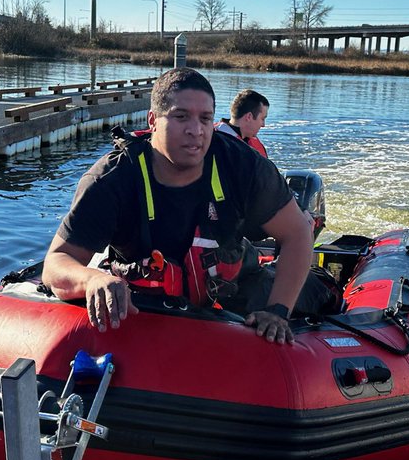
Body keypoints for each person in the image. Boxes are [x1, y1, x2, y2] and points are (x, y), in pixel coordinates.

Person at [42, 68, 315, 344]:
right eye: (181, 116)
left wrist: (278, 311)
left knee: (319, 296)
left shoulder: (244, 166)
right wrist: (91, 280)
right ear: (153, 121)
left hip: (236, 290)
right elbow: (56, 264)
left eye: (205, 119)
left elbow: (297, 233)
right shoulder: (112, 179)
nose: (195, 130)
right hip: (145, 305)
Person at [216, 89, 270, 157]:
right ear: (249, 117)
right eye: (262, 119)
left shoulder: (251, 143)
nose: (263, 125)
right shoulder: (217, 143)